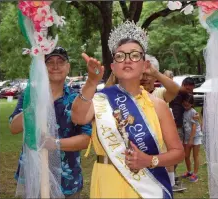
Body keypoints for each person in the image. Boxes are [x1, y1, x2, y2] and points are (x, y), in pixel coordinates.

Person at [71, 21, 184, 198]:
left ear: (144, 65)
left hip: (145, 185)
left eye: (134, 55)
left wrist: (150, 160)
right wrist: (92, 82)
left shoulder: (158, 105)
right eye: (120, 56)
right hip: (107, 181)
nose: (128, 60)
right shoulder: (100, 99)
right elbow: (78, 117)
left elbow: (178, 153)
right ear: (113, 67)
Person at [9, 47, 92, 198]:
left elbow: (86, 139)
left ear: (68, 67)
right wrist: (33, 105)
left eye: (60, 62)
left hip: (67, 181)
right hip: (33, 177)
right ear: (42, 67)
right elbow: (13, 128)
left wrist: (55, 143)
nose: (55, 66)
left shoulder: (77, 99)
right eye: (49, 62)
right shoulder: (29, 95)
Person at [140, 55, 181, 191]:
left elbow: (175, 89)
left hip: (160, 157)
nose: (145, 77)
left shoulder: (160, 94)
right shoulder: (129, 96)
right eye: (142, 73)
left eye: (148, 74)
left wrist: (156, 73)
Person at [181, 93, 203, 182]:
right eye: (184, 105)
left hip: (196, 136)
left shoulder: (193, 112)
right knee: (186, 156)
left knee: (195, 155)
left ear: (191, 104)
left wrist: (191, 140)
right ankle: (189, 171)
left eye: (188, 105)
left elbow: (194, 126)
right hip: (187, 137)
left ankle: (195, 174)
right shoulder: (183, 111)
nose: (186, 107)